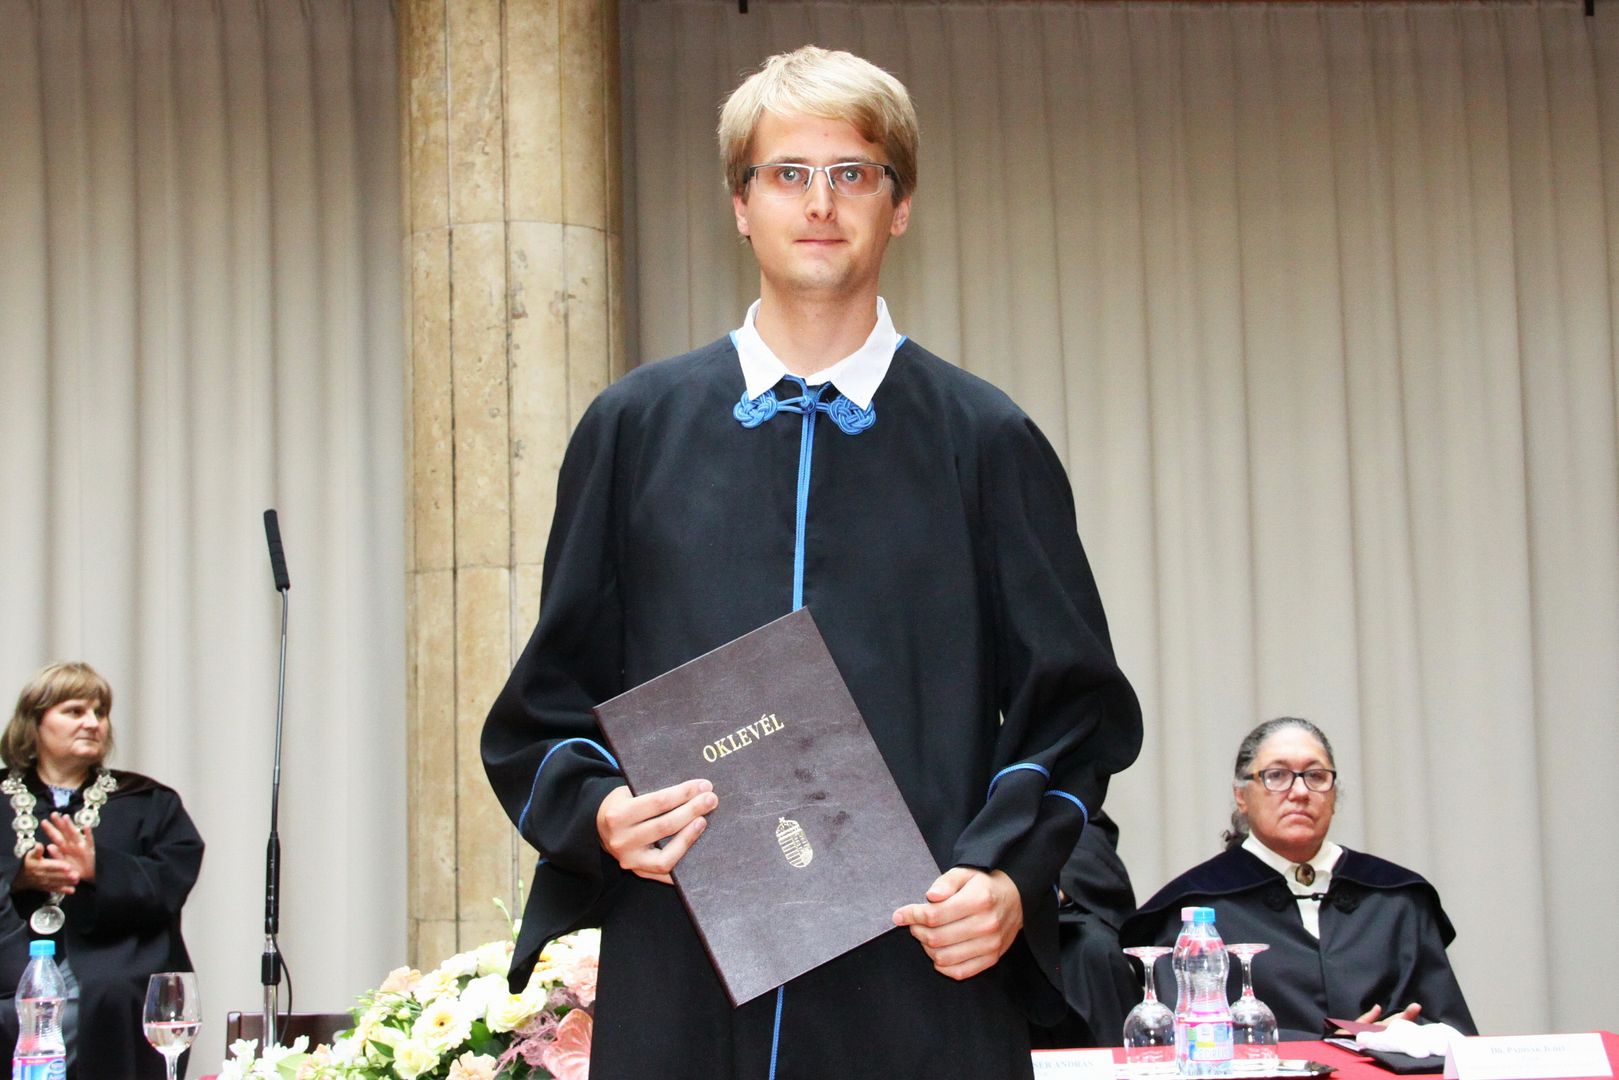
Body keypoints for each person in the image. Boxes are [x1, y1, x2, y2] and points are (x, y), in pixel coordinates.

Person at [482, 45, 1142, 1080]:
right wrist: (603, 812)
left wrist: (1007, 878)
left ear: (899, 205)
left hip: (918, 961)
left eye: (852, 173)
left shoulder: (986, 438)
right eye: (787, 173)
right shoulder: (632, 429)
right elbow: (547, 705)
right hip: (689, 960)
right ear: (740, 206)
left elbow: (1073, 709)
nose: (820, 202)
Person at [1121, 717, 1476, 1040]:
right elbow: (1188, 1038)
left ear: (1333, 796)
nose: (1300, 792)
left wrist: (1409, 1035)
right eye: (1277, 775)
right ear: (1241, 796)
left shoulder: (1396, 899)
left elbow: (1451, 1031)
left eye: (1316, 776)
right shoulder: (1194, 911)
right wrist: (1333, 1047)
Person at [0, 662, 204, 1079]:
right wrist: (19, 878)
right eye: (75, 711)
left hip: (114, 959)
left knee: (108, 993)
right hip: (12, 956)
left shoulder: (148, 801)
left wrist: (98, 870)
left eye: (100, 712)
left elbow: (172, 878)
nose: (92, 723)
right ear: (34, 723)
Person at [1030, 808, 1139, 1049]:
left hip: (1049, 908)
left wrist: (1049, 884)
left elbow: (1079, 820)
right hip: (956, 908)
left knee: (1095, 949)